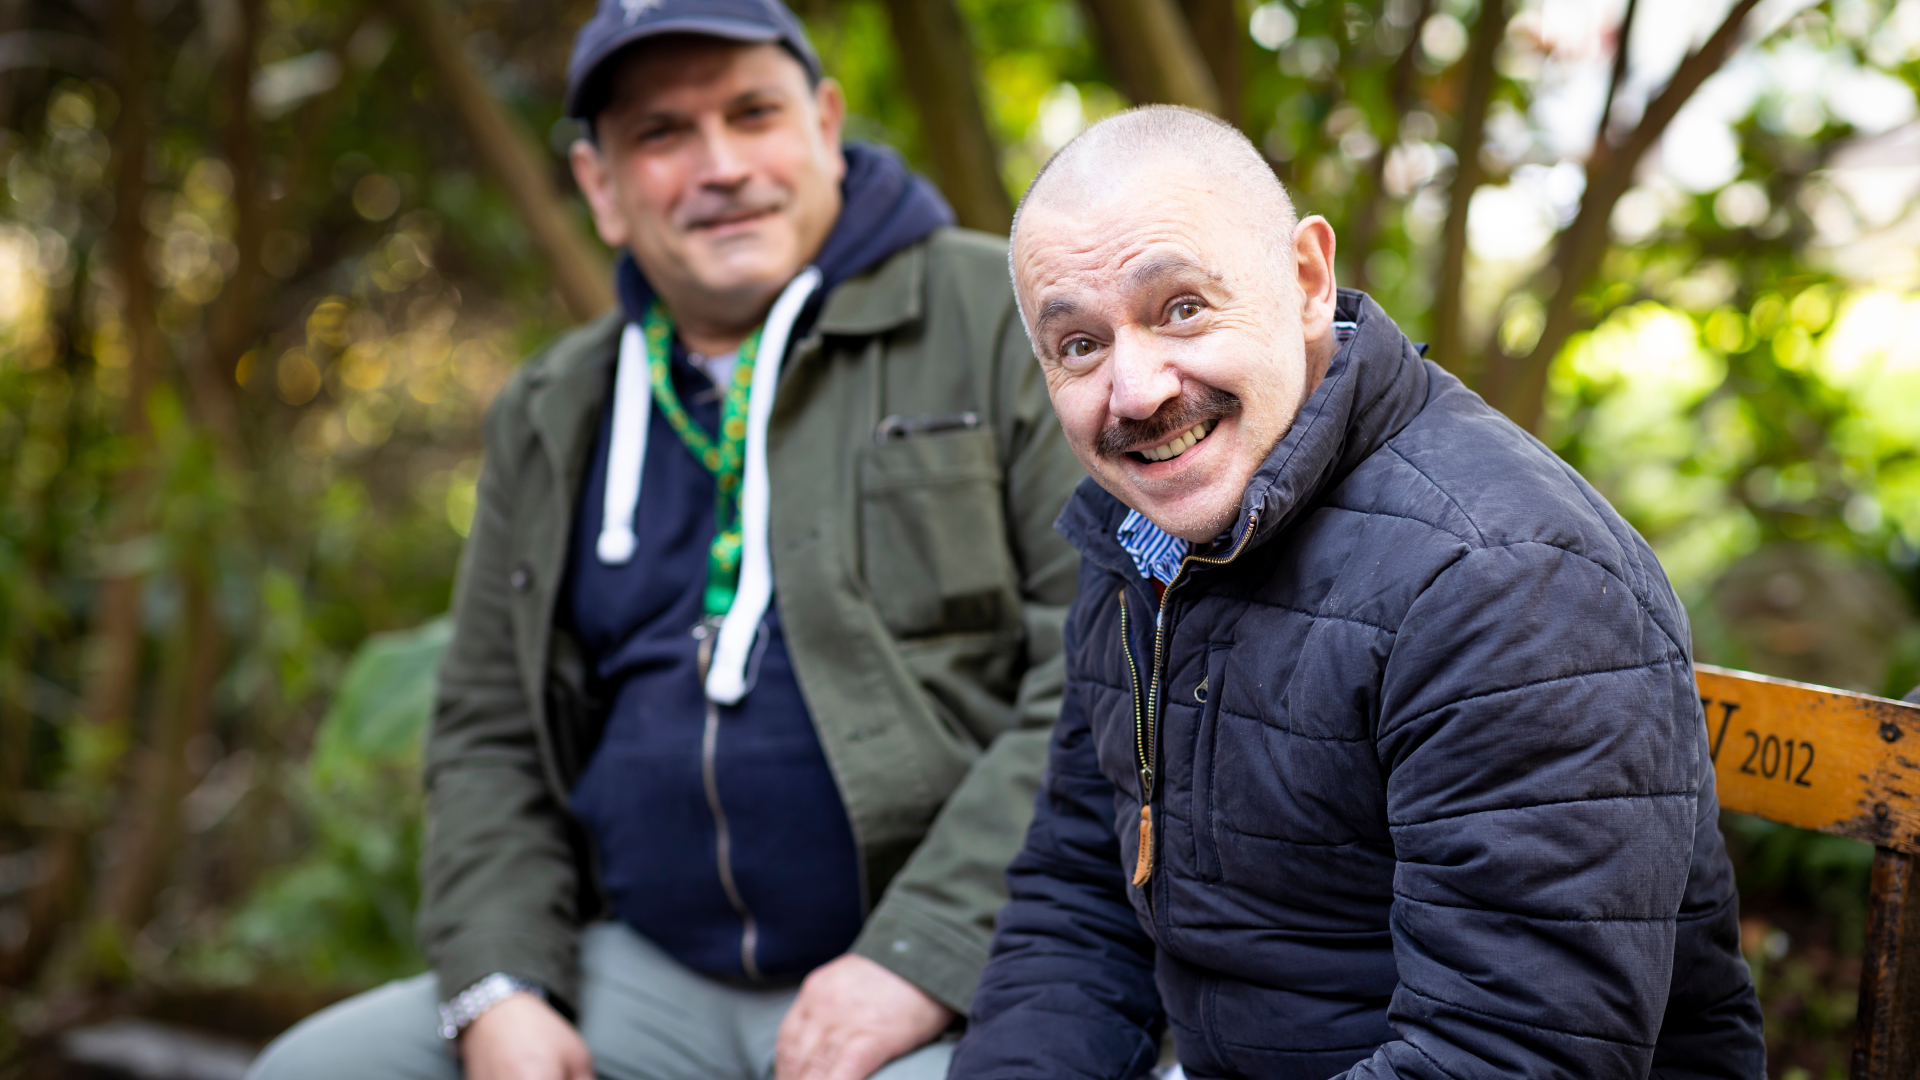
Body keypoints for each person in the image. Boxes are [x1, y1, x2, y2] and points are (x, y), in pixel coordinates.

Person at [249, 3, 1084, 1079]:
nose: (722, 165)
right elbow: (490, 733)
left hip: (951, 960)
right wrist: (501, 984)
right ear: (601, 187)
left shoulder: (1004, 318)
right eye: (663, 134)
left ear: (826, 125)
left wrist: (926, 955)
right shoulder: (554, 406)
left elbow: (1100, 679)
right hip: (643, 973)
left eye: (753, 113)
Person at [949, 105, 1766, 1080]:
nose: (1135, 391)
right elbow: (1078, 903)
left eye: (1180, 309)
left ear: (1304, 280)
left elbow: (1507, 1056)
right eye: (1079, 345)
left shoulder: (1509, 579)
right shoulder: (1145, 539)